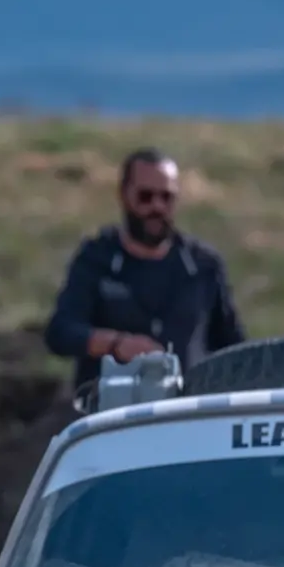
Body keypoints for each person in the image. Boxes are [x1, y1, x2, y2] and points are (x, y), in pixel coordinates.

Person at [43, 147, 246, 394]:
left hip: (185, 410)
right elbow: (61, 332)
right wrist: (117, 345)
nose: (157, 207)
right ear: (124, 195)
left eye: (167, 197)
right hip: (111, 412)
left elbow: (233, 347)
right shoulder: (97, 258)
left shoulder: (202, 266)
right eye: (145, 197)